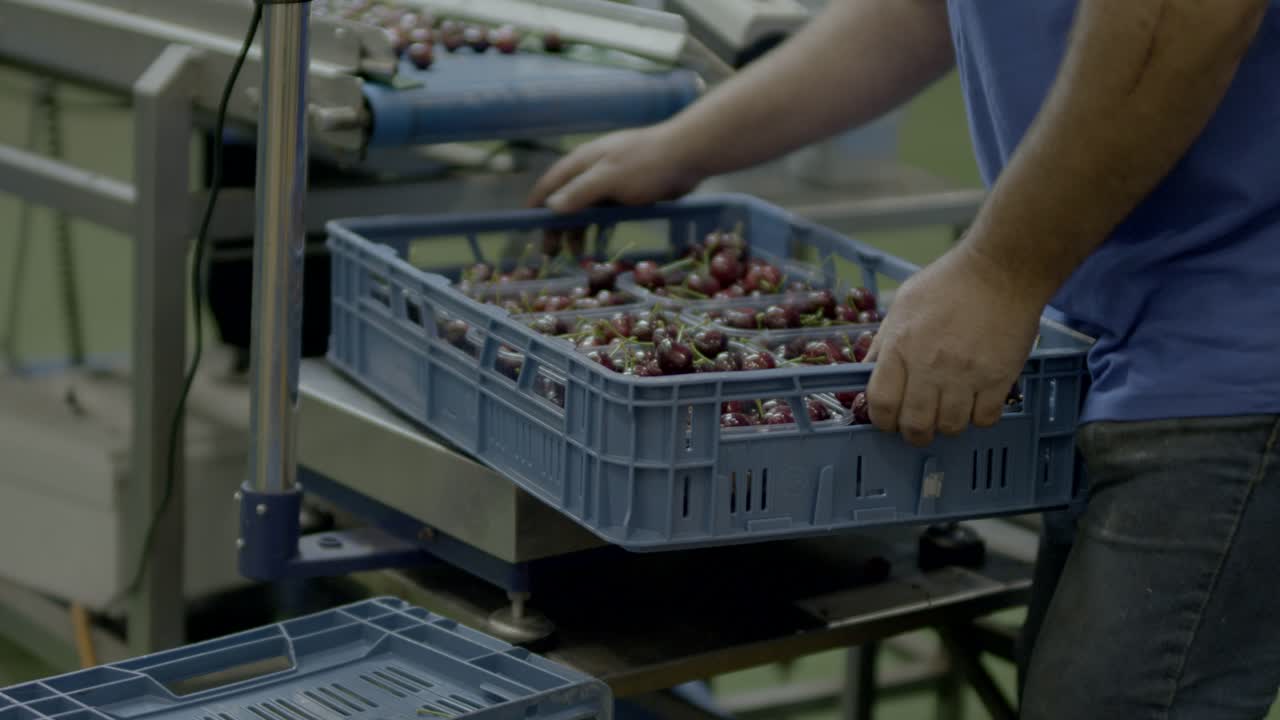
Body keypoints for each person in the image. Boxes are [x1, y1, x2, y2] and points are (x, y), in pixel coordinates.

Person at [529, 1, 1280, 717]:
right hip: (1109, 329)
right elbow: (918, 11)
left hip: (1236, 336)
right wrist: (682, 146)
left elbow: (1190, 13)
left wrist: (1000, 268)